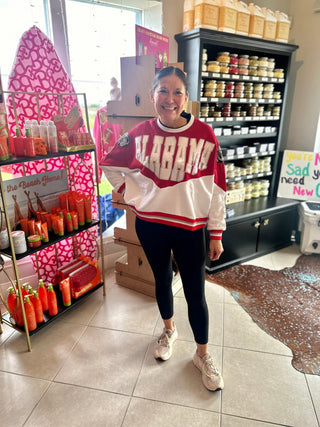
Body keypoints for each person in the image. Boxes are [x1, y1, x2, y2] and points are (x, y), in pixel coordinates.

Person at [100, 66, 227, 391]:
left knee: (196, 293)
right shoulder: (140, 133)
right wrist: (131, 194)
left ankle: (202, 354)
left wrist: (216, 232)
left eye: (177, 92)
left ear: (186, 98)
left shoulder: (205, 135)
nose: (169, 99)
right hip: (151, 226)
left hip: (189, 228)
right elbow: (110, 164)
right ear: (154, 94)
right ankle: (169, 330)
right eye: (163, 91)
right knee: (161, 280)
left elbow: (218, 188)